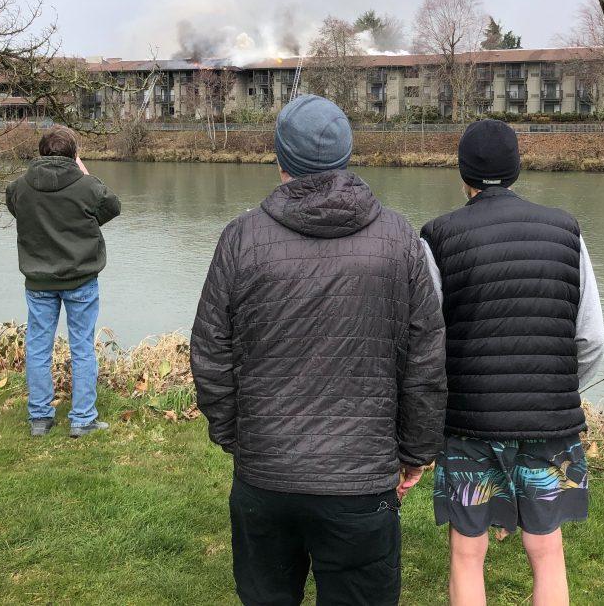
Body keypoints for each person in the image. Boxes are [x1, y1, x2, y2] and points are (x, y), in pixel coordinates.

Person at [191, 94, 446, 606]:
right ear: (346, 155)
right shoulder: (400, 239)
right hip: (360, 483)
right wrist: (415, 451)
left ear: (281, 159)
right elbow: (425, 361)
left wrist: (235, 435)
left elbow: (209, 353)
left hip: (266, 475)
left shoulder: (240, 238)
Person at [421, 119, 604, 606]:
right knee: (547, 550)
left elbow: (428, 344)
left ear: (463, 174)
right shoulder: (568, 231)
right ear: (517, 169)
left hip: (469, 420)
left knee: (466, 552)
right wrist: (558, 390)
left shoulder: (437, 237)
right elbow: (590, 339)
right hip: (550, 422)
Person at [5, 126, 121, 438]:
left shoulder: (19, 188)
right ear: (74, 155)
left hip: (39, 280)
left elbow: (18, 210)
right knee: (82, 345)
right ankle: (83, 419)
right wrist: (84, 171)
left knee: (38, 346)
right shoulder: (86, 187)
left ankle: (40, 418)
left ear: (41, 154)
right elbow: (113, 207)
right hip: (81, 279)